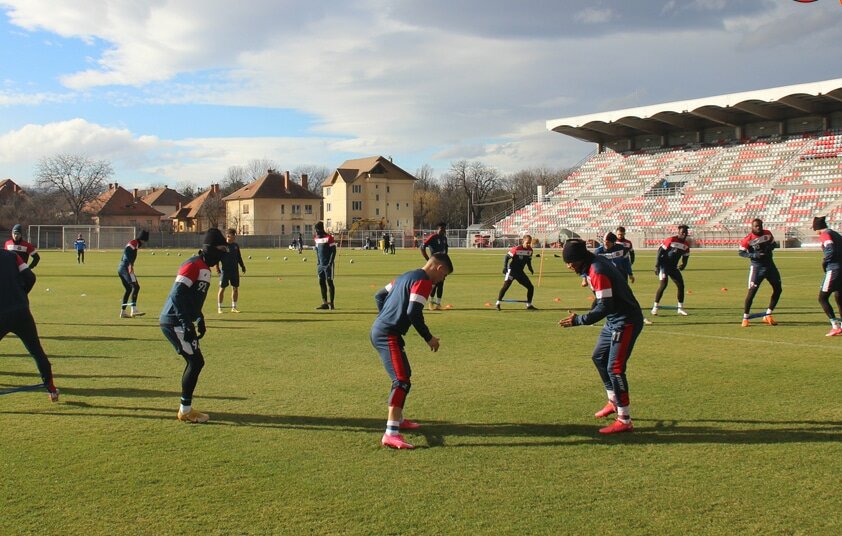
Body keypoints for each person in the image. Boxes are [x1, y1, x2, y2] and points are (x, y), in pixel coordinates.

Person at [558, 239, 643, 434]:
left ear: (580, 258)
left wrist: (580, 320)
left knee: (615, 368)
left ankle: (624, 419)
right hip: (613, 320)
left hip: (625, 321)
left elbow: (606, 305)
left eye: (571, 262)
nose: (569, 266)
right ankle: (613, 400)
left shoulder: (597, 270)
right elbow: (600, 300)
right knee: (598, 357)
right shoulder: (591, 266)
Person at [372, 252, 454, 449]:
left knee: (405, 375)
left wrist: (386, 315)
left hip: (384, 330)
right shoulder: (424, 282)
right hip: (386, 334)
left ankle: (398, 419)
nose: (442, 280)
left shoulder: (405, 276)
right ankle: (390, 433)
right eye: (444, 276)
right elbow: (413, 312)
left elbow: (380, 295)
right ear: (439, 268)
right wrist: (429, 338)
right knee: (401, 380)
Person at [159, 228, 228, 423]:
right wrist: (185, 322)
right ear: (210, 248)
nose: (223, 254)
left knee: (195, 362)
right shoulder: (193, 265)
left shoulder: (204, 268)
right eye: (221, 249)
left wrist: (199, 318)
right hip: (173, 321)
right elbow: (177, 295)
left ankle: (185, 408)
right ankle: (185, 410)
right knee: (196, 362)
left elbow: (192, 299)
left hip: (178, 320)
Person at [0, 249, 59, 402]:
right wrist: (21, 293)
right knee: (36, 350)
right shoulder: (13, 256)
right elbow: (30, 277)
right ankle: (51, 388)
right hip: (21, 311)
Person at [738, 219, 782, 327]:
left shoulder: (767, 234)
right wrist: (754, 255)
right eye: (756, 226)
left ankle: (768, 314)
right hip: (757, 268)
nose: (759, 228)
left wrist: (769, 248)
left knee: (778, 289)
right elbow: (741, 252)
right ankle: (745, 317)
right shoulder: (748, 239)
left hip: (770, 266)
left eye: (760, 225)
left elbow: (774, 244)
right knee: (752, 292)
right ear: (752, 227)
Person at [651, 224, 690, 316]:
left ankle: (680, 308)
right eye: (682, 232)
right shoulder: (671, 240)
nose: (684, 234)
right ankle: (655, 307)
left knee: (681, 285)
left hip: (673, 267)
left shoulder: (686, 245)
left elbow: (686, 256)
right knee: (663, 285)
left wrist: (684, 264)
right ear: (678, 232)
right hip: (664, 266)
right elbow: (660, 251)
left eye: (685, 233)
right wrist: (657, 265)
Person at [813, 216, 842, 336]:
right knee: (839, 297)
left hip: (834, 269)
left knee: (822, 298)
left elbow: (830, 249)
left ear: (817, 228)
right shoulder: (836, 234)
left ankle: (835, 325)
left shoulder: (824, 235)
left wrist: (825, 262)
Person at [496, 234, 537, 310]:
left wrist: (530, 268)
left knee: (530, 287)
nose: (528, 244)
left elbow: (528, 260)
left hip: (520, 272)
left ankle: (529, 305)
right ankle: (498, 303)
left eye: (530, 243)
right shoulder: (516, 249)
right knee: (506, 286)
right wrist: (505, 267)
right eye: (527, 242)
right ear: (523, 241)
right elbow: (506, 257)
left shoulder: (530, 250)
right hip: (512, 271)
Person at [118, 229, 149, 318]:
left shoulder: (136, 244)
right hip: (125, 267)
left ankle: (123, 312)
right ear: (142, 239)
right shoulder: (134, 242)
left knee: (128, 289)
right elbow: (127, 251)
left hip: (121, 268)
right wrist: (130, 265)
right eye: (144, 241)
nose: (144, 243)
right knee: (135, 287)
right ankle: (133, 309)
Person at [217, 229, 246, 314]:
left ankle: (234, 307)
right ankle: (220, 307)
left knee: (235, 288)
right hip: (225, 271)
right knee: (222, 289)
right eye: (233, 235)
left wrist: (242, 266)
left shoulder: (236, 246)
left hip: (234, 271)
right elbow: (217, 259)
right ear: (228, 236)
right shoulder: (223, 246)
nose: (235, 237)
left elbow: (239, 257)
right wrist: (218, 269)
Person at [420, 222, 449, 310]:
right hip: (434, 264)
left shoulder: (444, 238)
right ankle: (431, 302)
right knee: (434, 284)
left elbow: (446, 248)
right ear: (438, 229)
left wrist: (445, 257)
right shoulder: (433, 237)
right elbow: (422, 247)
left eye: (444, 229)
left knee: (441, 283)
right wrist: (428, 259)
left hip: (442, 264)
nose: (443, 231)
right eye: (441, 229)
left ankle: (438, 304)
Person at [314, 221, 337, 310]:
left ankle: (332, 304)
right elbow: (317, 250)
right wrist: (318, 262)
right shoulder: (316, 238)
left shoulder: (329, 237)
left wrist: (330, 263)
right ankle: (325, 303)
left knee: (330, 283)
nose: (316, 231)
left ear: (320, 229)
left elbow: (333, 251)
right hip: (320, 265)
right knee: (321, 282)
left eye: (316, 229)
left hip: (328, 265)